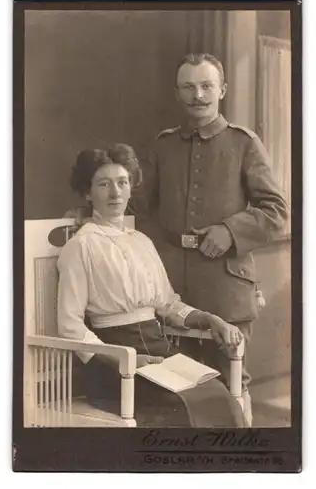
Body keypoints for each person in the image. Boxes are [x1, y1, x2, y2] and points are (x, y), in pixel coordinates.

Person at [128, 53, 289, 426]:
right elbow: (138, 205)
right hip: (171, 288)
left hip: (225, 288)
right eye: (188, 86)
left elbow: (277, 210)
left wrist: (229, 230)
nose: (197, 95)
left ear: (222, 90)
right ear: (177, 93)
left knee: (231, 385)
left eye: (206, 86)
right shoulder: (164, 145)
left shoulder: (244, 143)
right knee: (176, 389)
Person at [57, 145, 246, 428]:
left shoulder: (141, 241)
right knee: (179, 407)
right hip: (114, 365)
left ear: (131, 188)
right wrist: (127, 360)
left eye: (122, 183)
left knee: (216, 393)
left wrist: (210, 319)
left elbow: (167, 305)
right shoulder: (80, 246)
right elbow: (69, 326)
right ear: (87, 192)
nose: (115, 193)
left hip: (159, 352)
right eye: (104, 184)